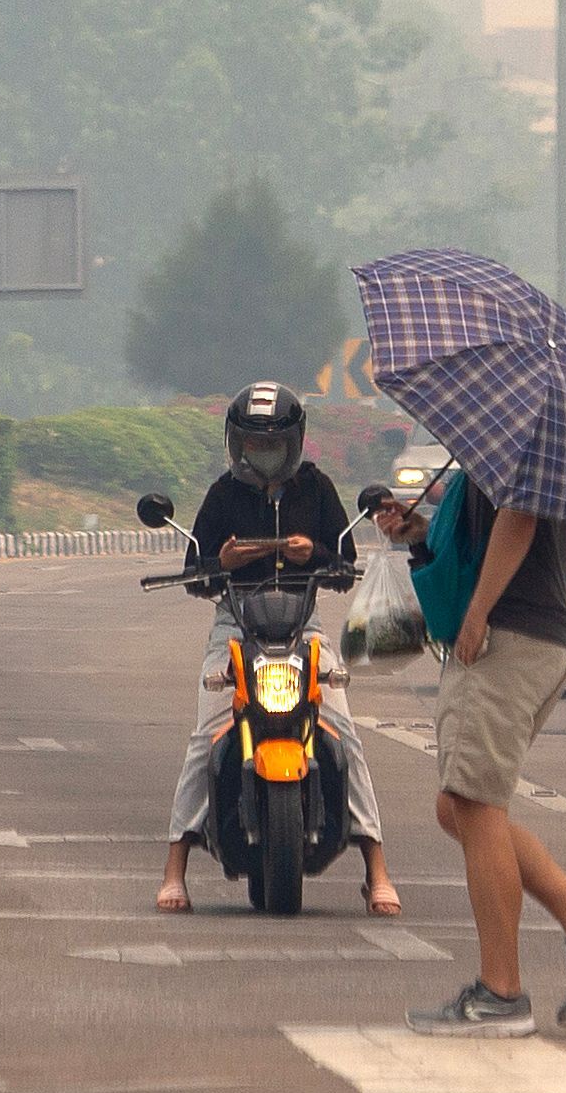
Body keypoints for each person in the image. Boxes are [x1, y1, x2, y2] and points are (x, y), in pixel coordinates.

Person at [375, 459, 566, 1038]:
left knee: (473, 803)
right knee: (460, 809)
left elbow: (518, 520)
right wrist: (421, 532)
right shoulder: (502, 440)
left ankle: (501, 992)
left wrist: (477, 611)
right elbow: (496, 526)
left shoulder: (514, 438)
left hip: (508, 636)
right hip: (534, 635)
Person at [156, 383, 397, 918]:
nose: (262, 456)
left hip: (301, 622)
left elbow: (344, 559)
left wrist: (316, 552)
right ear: (236, 444)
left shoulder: (317, 490)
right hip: (235, 625)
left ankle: (376, 868)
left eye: (272, 446)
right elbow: (196, 572)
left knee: (345, 732)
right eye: (252, 445)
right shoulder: (222, 496)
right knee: (206, 735)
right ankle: (175, 867)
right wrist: (224, 562)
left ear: (293, 444)